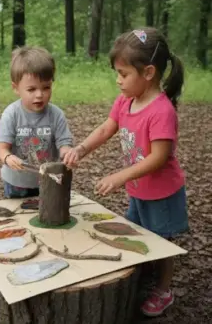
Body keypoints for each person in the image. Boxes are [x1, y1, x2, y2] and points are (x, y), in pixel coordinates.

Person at [63, 27, 188, 317]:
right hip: (139, 190)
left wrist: (120, 176)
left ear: (148, 73)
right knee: (137, 230)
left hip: (162, 192)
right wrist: (81, 149)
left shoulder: (161, 111)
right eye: (116, 73)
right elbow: (108, 128)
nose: (118, 81)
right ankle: (143, 272)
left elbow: (159, 158)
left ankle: (163, 289)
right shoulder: (126, 101)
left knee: (162, 241)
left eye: (123, 73)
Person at [0, 46, 74, 198]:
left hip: (48, 180)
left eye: (46, 87)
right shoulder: (11, 114)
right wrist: (8, 158)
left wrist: (67, 154)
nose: (39, 95)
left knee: (49, 216)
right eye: (31, 89)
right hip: (16, 183)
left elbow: (64, 144)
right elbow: (2, 149)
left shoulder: (56, 114)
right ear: (16, 88)